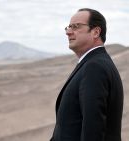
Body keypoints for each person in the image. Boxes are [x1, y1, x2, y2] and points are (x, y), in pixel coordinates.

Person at [50, 8, 124, 141]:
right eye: (68, 27)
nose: (68, 32)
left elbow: (93, 128)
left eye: (76, 26)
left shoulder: (95, 67)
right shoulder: (93, 63)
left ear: (96, 32)